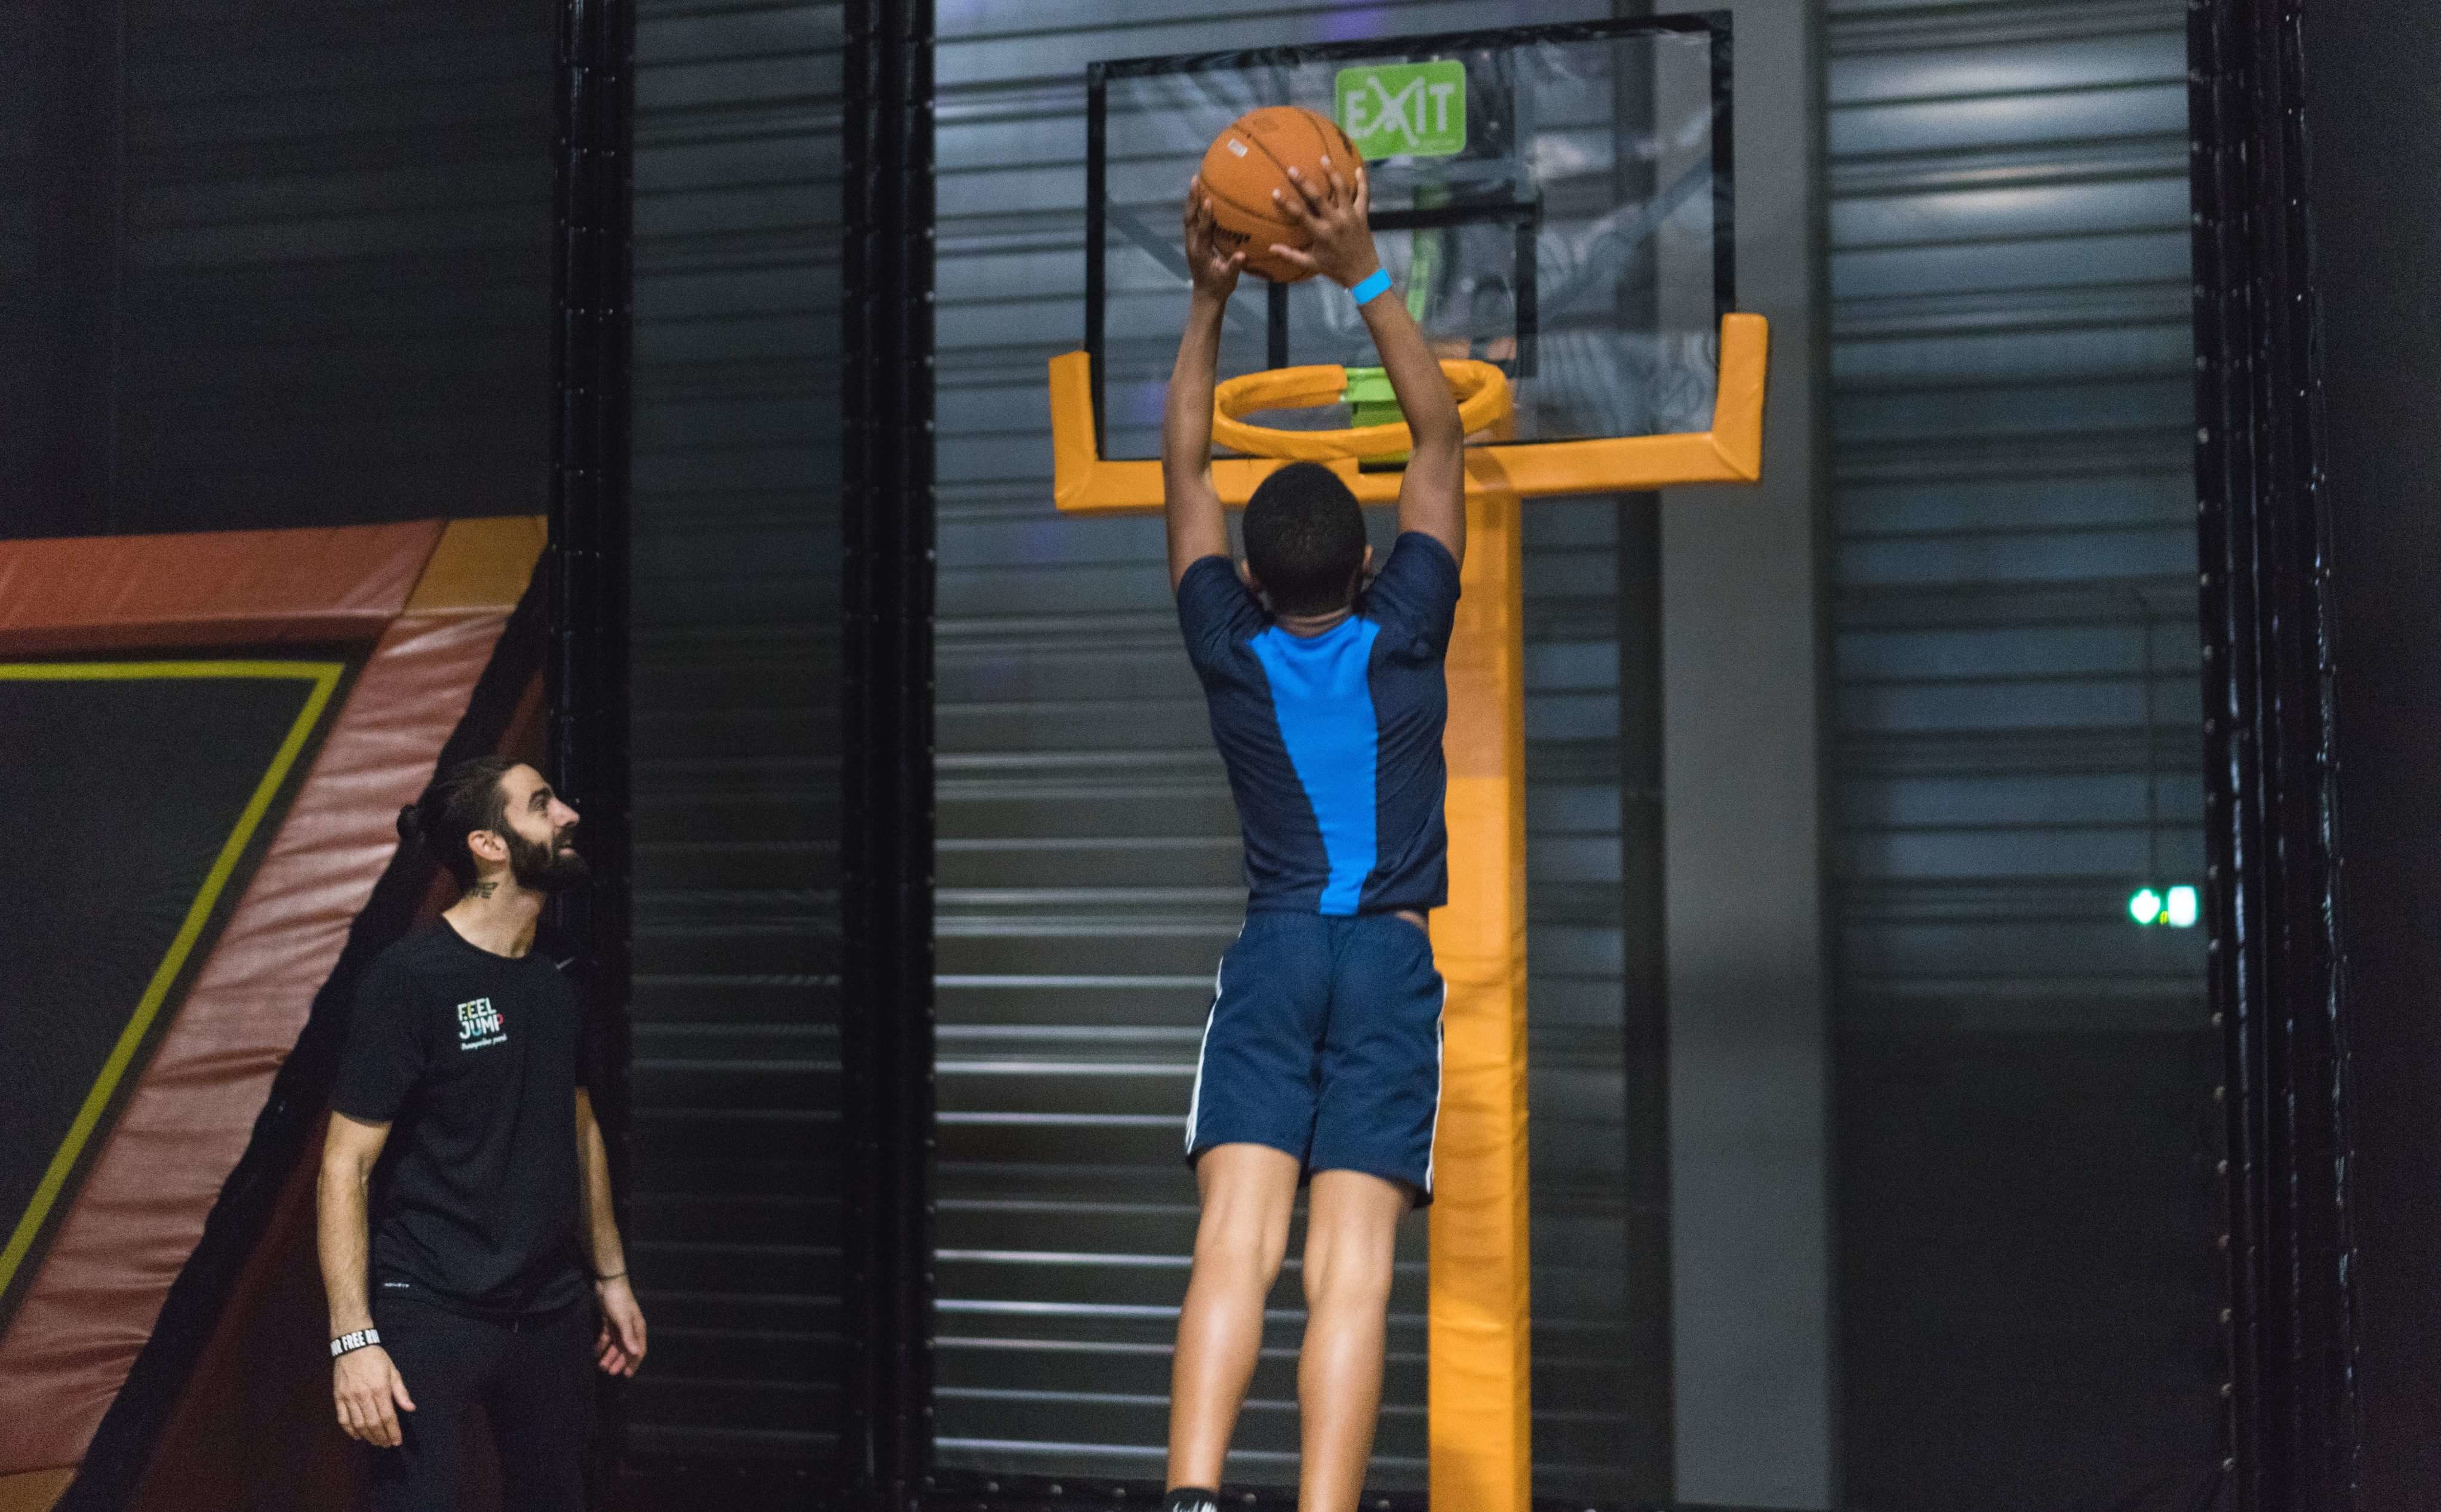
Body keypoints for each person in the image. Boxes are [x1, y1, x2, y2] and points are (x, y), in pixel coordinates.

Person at [1157, 157, 1466, 1512]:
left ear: (1252, 575)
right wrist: (1365, 272)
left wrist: (1209, 300)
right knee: (1354, 1266)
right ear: (1366, 562)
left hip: (1277, 953)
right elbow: (1440, 441)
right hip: (1388, 963)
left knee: (1238, 1242)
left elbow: (1182, 465)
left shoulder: (1226, 645)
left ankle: (1191, 1489)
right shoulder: (1407, 630)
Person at [316, 755, 647, 1512]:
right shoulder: (410, 979)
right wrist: (353, 1341)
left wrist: (611, 1276)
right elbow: (345, 1166)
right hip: (429, 1302)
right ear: (488, 845)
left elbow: (580, 1124)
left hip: (548, 1307)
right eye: (541, 804)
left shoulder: (559, 971)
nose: (567, 814)